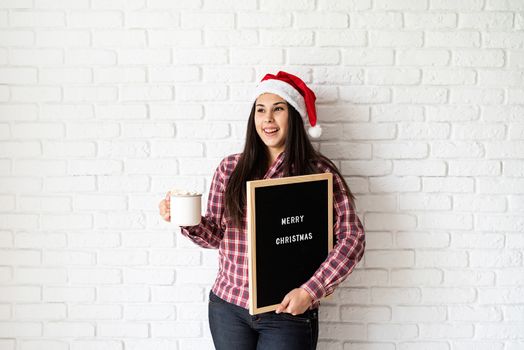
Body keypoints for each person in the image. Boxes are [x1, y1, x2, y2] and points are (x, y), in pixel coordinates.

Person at [158, 71, 365, 350]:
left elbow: (352, 238)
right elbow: (216, 235)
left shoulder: (318, 173)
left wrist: (310, 291)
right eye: (261, 110)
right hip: (228, 307)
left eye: (278, 109)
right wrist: (187, 219)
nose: (267, 119)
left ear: (293, 116)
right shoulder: (230, 169)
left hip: (286, 312)